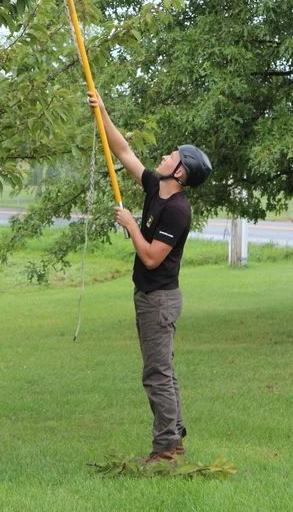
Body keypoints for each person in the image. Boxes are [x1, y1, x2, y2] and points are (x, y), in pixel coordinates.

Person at [87, 90, 212, 463]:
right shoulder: (156, 185)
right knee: (163, 371)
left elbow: (152, 257)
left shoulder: (178, 211)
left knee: (157, 375)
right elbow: (123, 151)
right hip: (148, 296)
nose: (164, 156)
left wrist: (130, 225)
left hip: (159, 300)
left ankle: (165, 451)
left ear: (181, 172)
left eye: (172, 156)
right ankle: (175, 438)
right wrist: (102, 112)